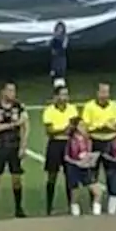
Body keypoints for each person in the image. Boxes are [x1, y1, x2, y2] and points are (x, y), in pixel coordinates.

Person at [0, 82, 28, 219]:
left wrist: (23, 146)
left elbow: (25, 127)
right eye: (10, 90)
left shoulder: (19, 107)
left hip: (15, 147)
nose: (12, 93)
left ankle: (18, 208)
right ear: (3, 92)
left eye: (14, 90)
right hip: (0, 146)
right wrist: (14, 124)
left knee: (16, 179)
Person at [43, 86, 79, 216]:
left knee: (70, 175)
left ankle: (72, 205)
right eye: (62, 95)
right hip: (55, 144)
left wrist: (62, 130)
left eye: (66, 95)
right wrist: (64, 129)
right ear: (56, 96)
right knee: (52, 176)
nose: (65, 98)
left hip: (69, 144)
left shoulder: (72, 109)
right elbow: (50, 131)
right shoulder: (49, 111)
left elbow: (73, 128)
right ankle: (49, 206)